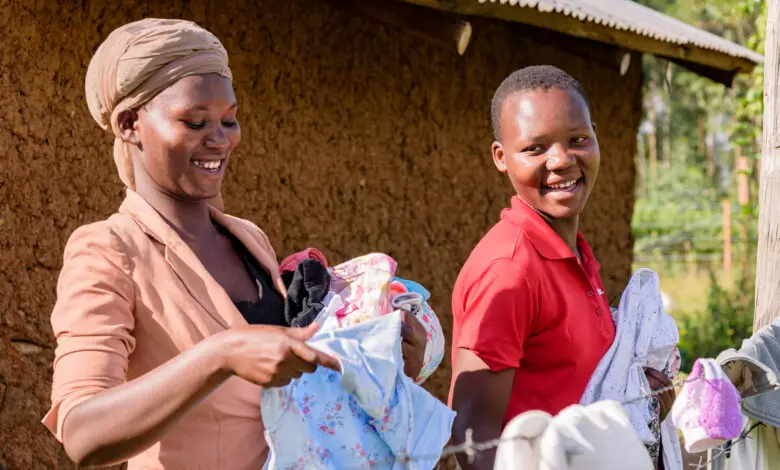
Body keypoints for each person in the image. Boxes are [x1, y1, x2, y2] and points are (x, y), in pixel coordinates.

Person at [42, 18, 427, 470]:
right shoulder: (110, 251)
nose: (221, 138)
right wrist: (220, 356)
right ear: (130, 124)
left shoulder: (247, 238)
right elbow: (82, 433)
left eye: (229, 119)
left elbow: (282, 395)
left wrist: (379, 353)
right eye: (195, 120)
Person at [448, 65, 676, 469]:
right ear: (502, 158)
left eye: (577, 140)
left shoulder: (575, 256)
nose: (562, 160)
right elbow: (472, 438)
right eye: (536, 148)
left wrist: (642, 401)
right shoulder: (510, 270)